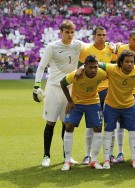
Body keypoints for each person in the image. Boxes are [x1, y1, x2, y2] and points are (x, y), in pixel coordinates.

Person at [33, 20, 84, 167]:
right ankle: (46, 156)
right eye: (66, 32)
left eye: (71, 32)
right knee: (50, 122)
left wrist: (114, 46)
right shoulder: (52, 47)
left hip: (69, 89)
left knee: (67, 123)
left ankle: (67, 156)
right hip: (54, 88)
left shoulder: (78, 45)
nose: (69, 35)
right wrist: (36, 86)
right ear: (60, 32)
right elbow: (41, 66)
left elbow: (94, 47)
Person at [78, 26, 118, 165]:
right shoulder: (86, 50)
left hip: (108, 90)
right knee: (91, 124)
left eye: (104, 35)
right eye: (99, 35)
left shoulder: (110, 49)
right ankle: (87, 155)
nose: (102, 37)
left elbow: (116, 66)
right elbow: (80, 68)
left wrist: (116, 48)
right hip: (92, 91)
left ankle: (110, 154)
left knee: (110, 123)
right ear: (94, 36)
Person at [60, 55, 108, 171]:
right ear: (85, 66)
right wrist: (70, 101)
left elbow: (114, 74)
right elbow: (62, 83)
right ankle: (67, 161)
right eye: (90, 67)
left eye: (95, 67)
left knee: (97, 127)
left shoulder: (101, 73)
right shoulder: (76, 75)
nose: (93, 70)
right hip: (77, 103)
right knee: (69, 126)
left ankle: (94, 160)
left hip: (93, 102)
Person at [114, 30, 135, 163]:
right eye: (134, 39)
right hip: (121, 90)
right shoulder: (120, 48)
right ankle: (120, 152)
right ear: (129, 39)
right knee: (120, 122)